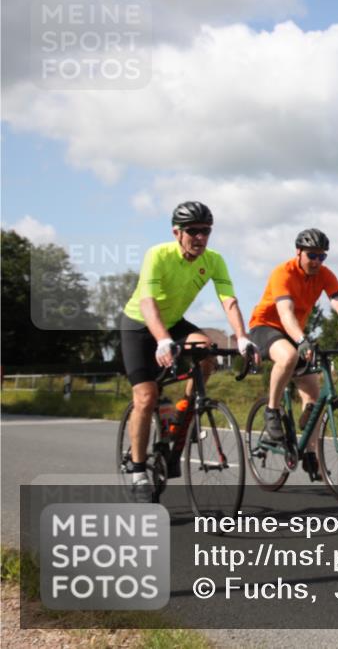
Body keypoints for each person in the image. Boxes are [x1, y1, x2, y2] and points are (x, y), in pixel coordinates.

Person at [120, 201, 258, 500]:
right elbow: (148, 303)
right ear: (177, 233)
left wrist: (242, 337)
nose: (200, 237)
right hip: (139, 326)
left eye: (205, 231)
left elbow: (229, 301)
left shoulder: (214, 259)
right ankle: (138, 468)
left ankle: (184, 414)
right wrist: (161, 340)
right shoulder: (157, 254)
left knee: (207, 351)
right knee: (146, 397)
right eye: (193, 231)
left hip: (173, 322)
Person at [248, 229, 338, 478]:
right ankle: (272, 409)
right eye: (312, 255)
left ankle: (309, 451)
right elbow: (285, 312)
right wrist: (302, 341)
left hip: (295, 333)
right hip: (266, 327)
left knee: (314, 395)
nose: (316, 261)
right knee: (288, 356)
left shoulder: (325, 275)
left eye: (322, 256)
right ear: (299, 252)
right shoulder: (282, 273)